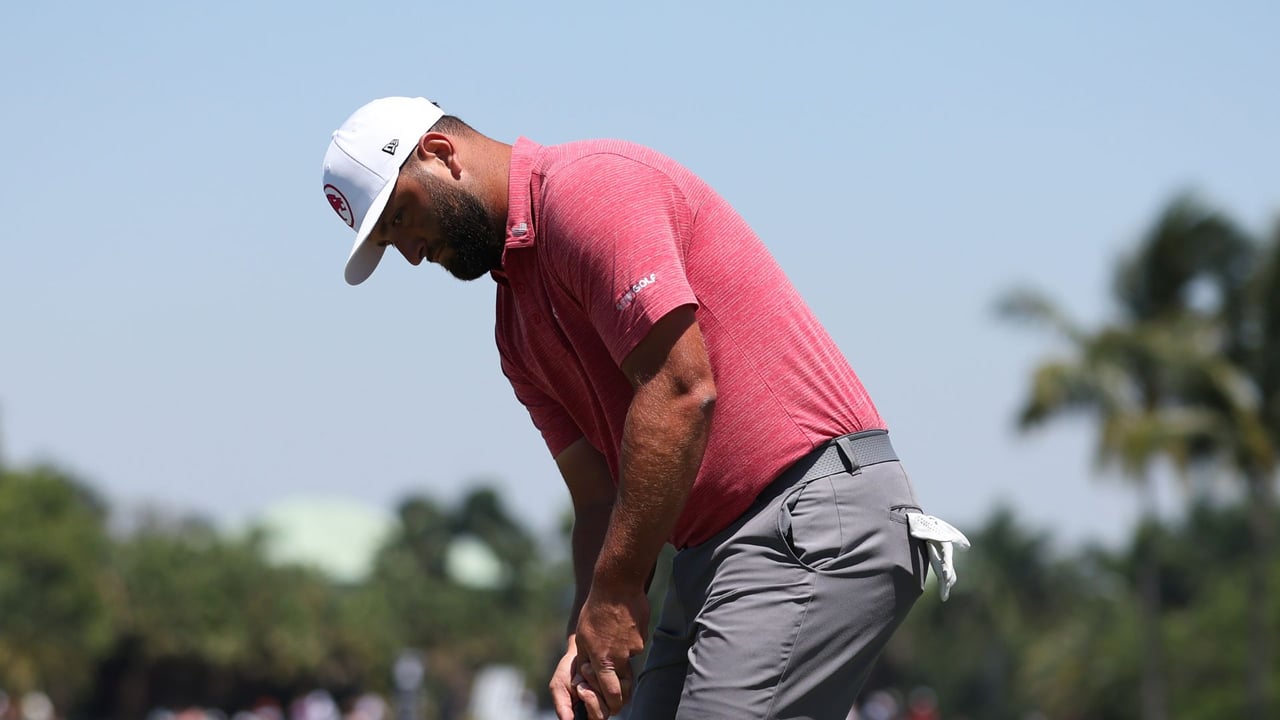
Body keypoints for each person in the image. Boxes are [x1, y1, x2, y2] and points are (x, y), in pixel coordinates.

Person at [319, 96, 968, 720]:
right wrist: (586, 627)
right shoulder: (515, 330)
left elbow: (682, 391)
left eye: (399, 218)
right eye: (385, 240)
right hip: (714, 552)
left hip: (810, 516)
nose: (408, 252)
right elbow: (598, 497)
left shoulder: (587, 189)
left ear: (439, 153)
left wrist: (619, 591)